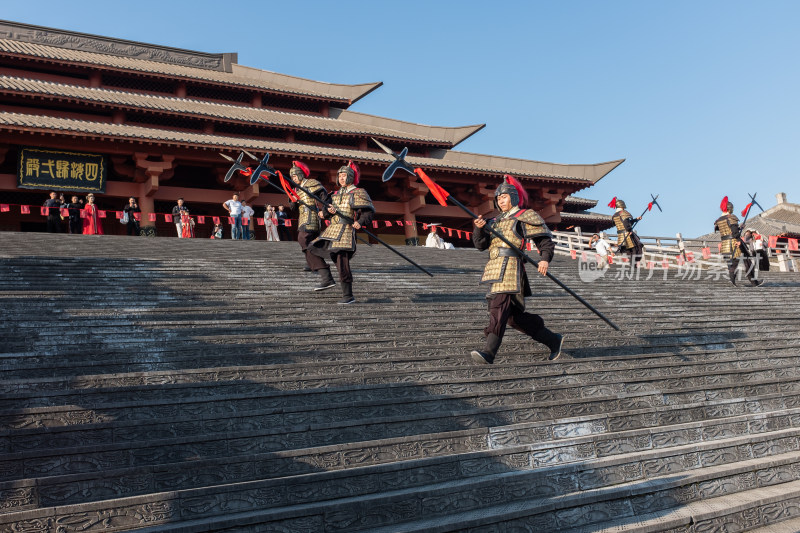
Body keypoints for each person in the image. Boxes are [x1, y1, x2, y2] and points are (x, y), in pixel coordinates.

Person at [470, 175, 563, 364]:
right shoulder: (494, 221)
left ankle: (489, 352)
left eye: (503, 197)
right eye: (498, 198)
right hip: (494, 269)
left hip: (512, 268)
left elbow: (544, 241)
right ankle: (553, 340)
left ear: (512, 196)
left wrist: (544, 259)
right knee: (513, 318)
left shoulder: (524, 216)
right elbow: (481, 245)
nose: (500, 201)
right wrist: (479, 228)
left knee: (498, 308)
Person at [309, 161, 374, 304]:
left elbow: (368, 212)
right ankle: (327, 278)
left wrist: (360, 222)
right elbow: (326, 211)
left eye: (344, 176)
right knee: (312, 248)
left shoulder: (358, 192)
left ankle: (348, 296)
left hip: (346, 230)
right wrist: (328, 211)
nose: (342, 178)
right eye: (340, 176)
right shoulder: (334, 194)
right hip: (332, 228)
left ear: (350, 177)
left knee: (341, 261)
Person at [286, 161, 329, 274]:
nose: (293, 178)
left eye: (295, 176)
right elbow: (293, 208)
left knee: (303, 238)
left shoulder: (312, 183)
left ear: (300, 174)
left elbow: (324, 197)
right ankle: (311, 263)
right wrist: (293, 200)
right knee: (311, 242)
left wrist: (324, 211)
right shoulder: (295, 190)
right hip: (302, 217)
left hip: (312, 216)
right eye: (292, 177)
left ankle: (319, 265)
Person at [714, 197, 761, 286]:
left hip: (725, 244)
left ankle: (732, 281)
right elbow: (735, 233)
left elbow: (727, 230)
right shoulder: (731, 217)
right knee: (746, 261)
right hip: (734, 243)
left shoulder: (719, 220)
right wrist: (739, 240)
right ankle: (754, 282)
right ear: (729, 208)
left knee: (732, 263)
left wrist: (739, 228)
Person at [611, 198, 644, 267]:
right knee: (636, 248)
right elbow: (626, 224)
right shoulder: (623, 213)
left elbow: (623, 223)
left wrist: (636, 219)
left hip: (620, 235)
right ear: (622, 206)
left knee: (628, 250)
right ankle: (633, 265)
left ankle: (632, 265)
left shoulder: (614, 215)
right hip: (627, 234)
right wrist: (629, 230)